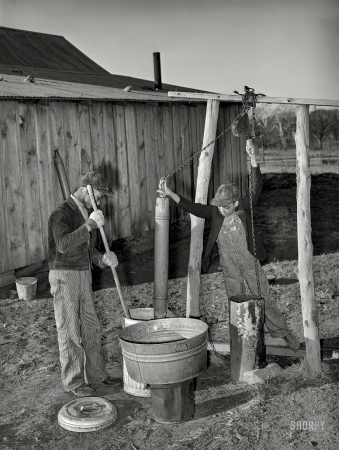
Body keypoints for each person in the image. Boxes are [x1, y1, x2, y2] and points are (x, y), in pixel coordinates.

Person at [161, 140, 299, 352]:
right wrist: (170, 194)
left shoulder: (245, 207)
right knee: (236, 302)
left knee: (264, 298)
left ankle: (282, 333)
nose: (222, 210)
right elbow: (193, 207)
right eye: (219, 205)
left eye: (226, 206)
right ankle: (242, 340)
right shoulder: (215, 213)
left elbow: (256, 186)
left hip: (249, 260)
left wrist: (253, 158)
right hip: (229, 266)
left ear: (235, 203)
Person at [48, 171, 122, 397]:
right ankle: (75, 381)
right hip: (65, 275)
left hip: (83, 274)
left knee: (91, 325)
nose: (99, 201)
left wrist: (102, 259)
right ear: (88, 188)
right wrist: (89, 225)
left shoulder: (84, 212)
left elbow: (86, 250)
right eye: (99, 195)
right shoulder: (62, 213)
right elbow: (62, 244)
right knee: (70, 329)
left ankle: (98, 374)